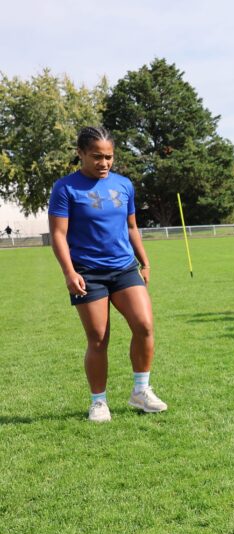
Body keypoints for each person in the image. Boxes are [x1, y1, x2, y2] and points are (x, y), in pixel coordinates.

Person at [48, 126, 167, 422]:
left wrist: (145, 262)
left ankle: (141, 390)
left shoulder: (124, 185)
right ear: (81, 154)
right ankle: (98, 402)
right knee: (99, 338)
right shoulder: (65, 188)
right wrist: (69, 272)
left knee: (145, 326)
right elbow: (58, 235)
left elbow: (131, 227)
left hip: (124, 268)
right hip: (88, 273)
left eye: (109, 157)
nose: (104, 163)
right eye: (97, 156)